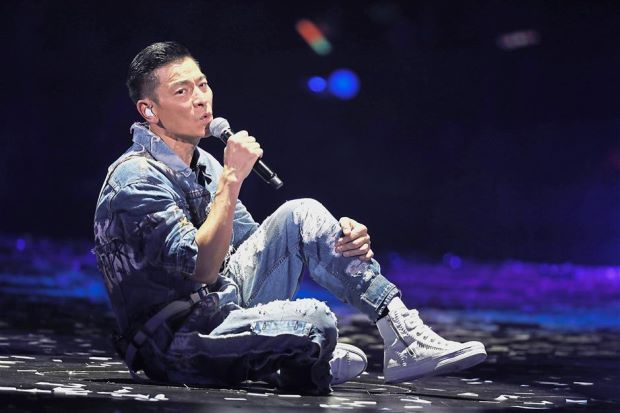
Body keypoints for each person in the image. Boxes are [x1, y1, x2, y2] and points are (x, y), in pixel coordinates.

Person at [93, 41, 486, 395]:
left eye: (203, 85)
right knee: (314, 320)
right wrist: (231, 181)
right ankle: (289, 358)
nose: (201, 99)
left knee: (303, 213)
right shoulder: (136, 178)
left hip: (220, 307)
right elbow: (203, 268)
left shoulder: (205, 164)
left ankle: (402, 335)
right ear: (149, 110)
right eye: (182, 91)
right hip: (176, 342)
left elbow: (250, 248)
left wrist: (339, 239)